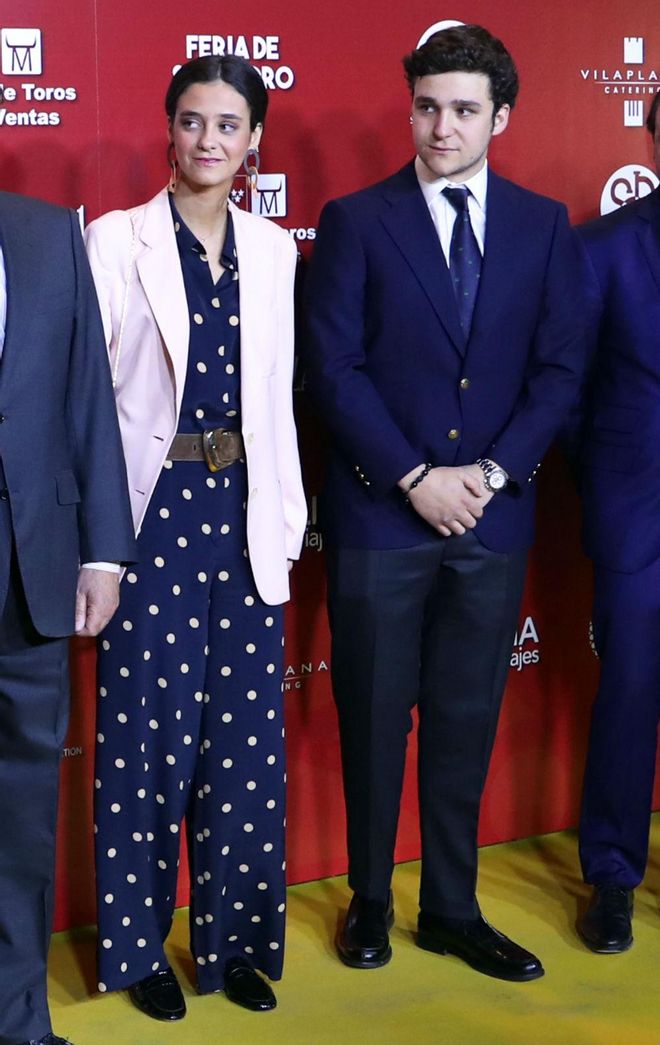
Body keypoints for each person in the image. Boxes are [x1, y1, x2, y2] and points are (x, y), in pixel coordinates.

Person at [304, 24, 586, 981]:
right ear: (411, 107)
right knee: (376, 720)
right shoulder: (355, 219)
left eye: (464, 109)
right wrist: (417, 478)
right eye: (427, 105)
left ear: (499, 117)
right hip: (382, 517)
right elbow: (332, 370)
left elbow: (558, 371)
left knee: (466, 718)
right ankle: (373, 901)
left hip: (494, 517)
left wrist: (494, 475)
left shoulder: (545, 226)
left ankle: (452, 910)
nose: (441, 126)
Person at [84, 55, 306, 1021]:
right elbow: (87, 408)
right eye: (192, 121)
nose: (209, 140)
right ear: (168, 130)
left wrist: (289, 523)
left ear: (255, 139)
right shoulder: (113, 241)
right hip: (153, 514)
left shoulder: (273, 252)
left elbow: (279, 404)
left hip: (248, 516)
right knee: (144, 746)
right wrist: (98, 543)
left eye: (228, 124)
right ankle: (137, 951)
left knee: (247, 749)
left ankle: (240, 944)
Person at [0, 188, 136, 1041]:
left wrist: (101, 550)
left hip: (32, 569)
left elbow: (87, 396)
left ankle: (17, 1018)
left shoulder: (48, 232)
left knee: (20, 816)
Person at [574, 90, 660, 954]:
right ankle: (611, 875)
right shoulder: (602, 250)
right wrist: (606, 492)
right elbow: (571, 397)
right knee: (630, 696)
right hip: (642, 521)